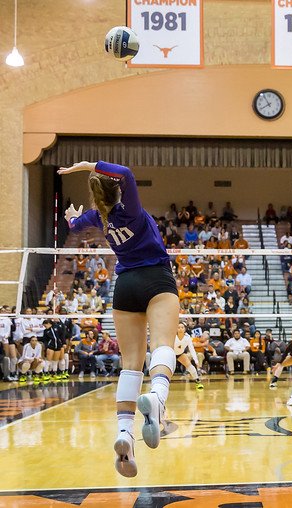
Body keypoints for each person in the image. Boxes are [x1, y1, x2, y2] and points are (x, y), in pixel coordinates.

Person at [59, 160, 179, 478]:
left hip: (125, 285)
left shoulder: (101, 216)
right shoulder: (129, 211)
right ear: (118, 191)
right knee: (165, 344)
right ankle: (158, 399)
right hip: (155, 276)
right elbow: (124, 173)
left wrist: (72, 217)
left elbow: (74, 226)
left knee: (130, 365)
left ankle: (125, 434)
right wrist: (87, 166)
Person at [174, 322, 204, 390]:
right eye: (178, 327)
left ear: (185, 329)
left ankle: (198, 382)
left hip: (180, 354)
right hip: (171, 354)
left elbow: (192, 349)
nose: (180, 329)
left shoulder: (187, 338)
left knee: (191, 367)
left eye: (182, 327)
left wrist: (196, 361)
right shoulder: (173, 336)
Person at [0, 307, 18, 381]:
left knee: (6, 357)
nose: (4, 312)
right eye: (2, 311)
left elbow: (8, 329)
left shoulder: (7, 319)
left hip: (5, 339)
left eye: (5, 311)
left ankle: (8, 374)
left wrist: (6, 336)